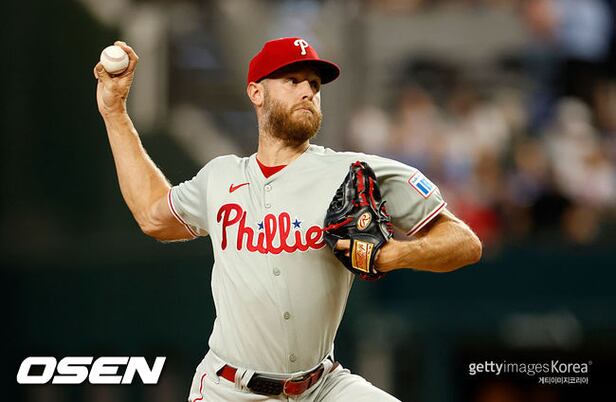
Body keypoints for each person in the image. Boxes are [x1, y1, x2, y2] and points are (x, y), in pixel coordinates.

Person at [94, 37, 482, 401]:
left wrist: (391, 255)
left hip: (323, 387)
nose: (307, 91)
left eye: (314, 84)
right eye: (292, 80)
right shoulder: (220, 177)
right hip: (229, 390)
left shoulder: (352, 172)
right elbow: (153, 216)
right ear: (256, 92)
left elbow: (465, 243)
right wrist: (114, 113)